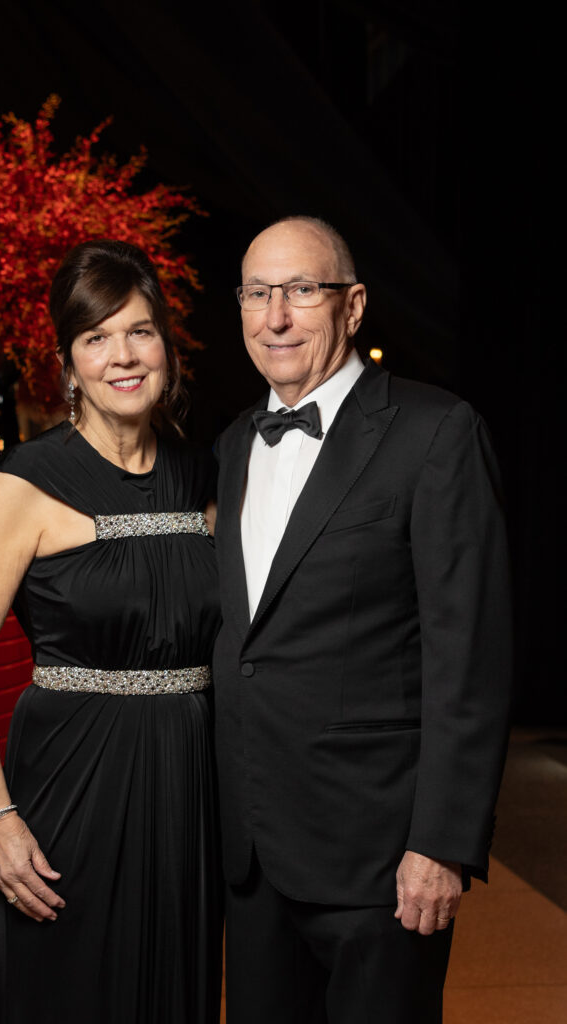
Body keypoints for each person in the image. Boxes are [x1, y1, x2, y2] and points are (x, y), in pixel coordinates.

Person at [212, 216, 512, 1023]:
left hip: (379, 857)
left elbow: (469, 659)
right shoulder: (234, 444)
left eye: (301, 291)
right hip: (253, 854)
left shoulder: (434, 432)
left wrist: (441, 845)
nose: (275, 316)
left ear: (352, 306)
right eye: (256, 293)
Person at [0, 240, 222, 1023]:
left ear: (166, 342)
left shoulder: (206, 474)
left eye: (139, 331)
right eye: (96, 338)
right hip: (71, 784)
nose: (121, 357)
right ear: (67, 363)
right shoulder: (25, 482)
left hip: (187, 784)